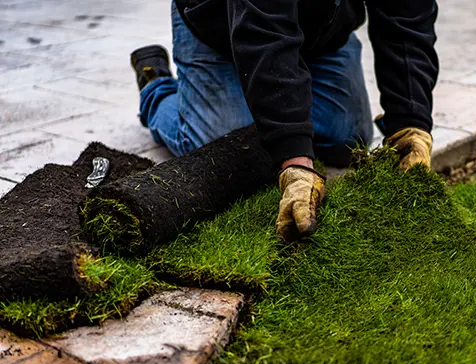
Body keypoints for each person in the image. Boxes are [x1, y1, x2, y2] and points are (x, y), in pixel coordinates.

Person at [130, 0, 438, 242]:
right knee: (227, 141)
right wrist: (295, 160)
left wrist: (411, 122)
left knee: (347, 135)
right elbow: (263, 30)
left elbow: (407, 15)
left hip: (322, 28)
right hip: (219, 22)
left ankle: (302, 65)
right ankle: (156, 86)